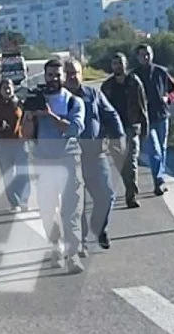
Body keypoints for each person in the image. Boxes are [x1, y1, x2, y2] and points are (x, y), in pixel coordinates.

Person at [22, 59, 86, 273]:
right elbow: (26, 134)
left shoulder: (73, 102)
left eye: (58, 75)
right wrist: (31, 116)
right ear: (45, 76)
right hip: (43, 161)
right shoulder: (34, 100)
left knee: (71, 210)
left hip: (68, 159)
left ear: (63, 77)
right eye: (50, 75)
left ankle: (73, 254)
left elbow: (74, 129)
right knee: (48, 210)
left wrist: (49, 115)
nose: (54, 79)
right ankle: (55, 247)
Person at [64, 58, 124, 256]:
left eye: (76, 72)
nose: (72, 77)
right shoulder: (58, 99)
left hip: (95, 155)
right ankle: (80, 242)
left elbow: (111, 115)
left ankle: (99, 229)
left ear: (82, 74)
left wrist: (118, 137)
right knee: (76, 203)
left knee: (106, 196)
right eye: (69, 73)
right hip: (69, 158)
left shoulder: (93, 94)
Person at [101, 52, 150, 208]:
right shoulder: (107, 86)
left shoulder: (134, 82)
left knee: (131, 161)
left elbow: (143, 106)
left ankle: (132, 195)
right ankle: (129, 186)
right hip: (114, 130)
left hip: (131, 126)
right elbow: (101, 110)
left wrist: (145, 128)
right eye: (115, 63)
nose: (118, 66)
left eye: (120, 63)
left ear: (126, 64)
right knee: (121, 164)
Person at [133, 43, 174, 196]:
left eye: (148, 54)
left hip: (162, 115)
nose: (145, 57)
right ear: (137, 57)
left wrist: (168, 98)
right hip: (146, 118)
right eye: (142, 55)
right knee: (155, 150)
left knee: (163, 148)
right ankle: (158, 181)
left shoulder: (161, 72)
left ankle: (160, 177)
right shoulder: (134, 75)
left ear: (152, 54)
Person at [0, 78, 30, 211]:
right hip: (4, 145)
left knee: (23, 174)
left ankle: (24, 201)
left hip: (20, 144)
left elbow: (29, 119)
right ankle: (14, 203)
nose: (7, 90)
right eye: (4, 88)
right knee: (8, 175)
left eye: (9, 87)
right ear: (0, 91)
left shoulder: (20, 104)